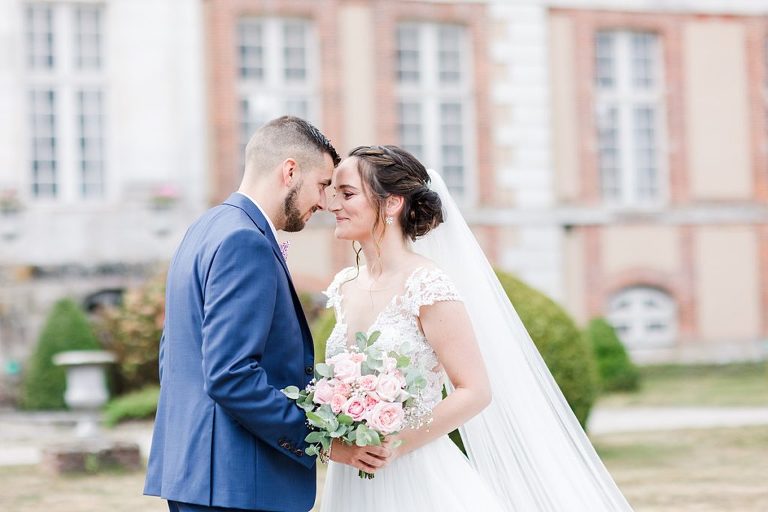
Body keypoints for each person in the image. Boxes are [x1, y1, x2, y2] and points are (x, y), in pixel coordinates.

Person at [320, 145, 634, 511]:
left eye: (347, 194)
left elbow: (475, 390)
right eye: (332, 194)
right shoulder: (343, 285)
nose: (333, 205)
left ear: (392, 203)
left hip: (416, 473)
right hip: (350, 480)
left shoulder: (427, 284)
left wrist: (396, 442)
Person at [143, 117, 391, 512]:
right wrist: (322, 440)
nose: (325, 203)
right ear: (290, 170)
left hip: (202, 476)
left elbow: (173, 353)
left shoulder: (206, 227)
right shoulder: (246, 242)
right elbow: (231, 375)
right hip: (239, 483)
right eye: (323, 185)